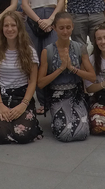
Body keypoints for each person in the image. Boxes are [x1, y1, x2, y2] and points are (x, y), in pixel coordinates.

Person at [0, 11, 44, 145]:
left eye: (13, 25)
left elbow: (33, 81)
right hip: (3, 97)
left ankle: (27, 120)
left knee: (22, 134)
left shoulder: (30, 52)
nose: (10, 29)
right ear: (1, 28)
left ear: (19, 28)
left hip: (22, 97)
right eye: (6, 25)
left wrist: (24, 104)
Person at [37, 12, 96, 142]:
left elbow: (92, 77)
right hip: (57, 96)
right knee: (64, 133)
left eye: (68, 27)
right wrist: (61, 69)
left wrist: (73, 69)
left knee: (83, 132)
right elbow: (40, 83)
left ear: (73, 27)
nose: (65, 31)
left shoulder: (80, 48)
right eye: (61, 28)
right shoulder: (48, 51)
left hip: (75, 94)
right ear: (54, 28)